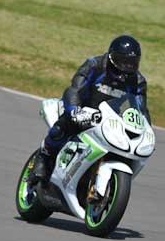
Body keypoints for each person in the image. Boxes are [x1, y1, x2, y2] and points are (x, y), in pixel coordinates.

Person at [31, 35, 150, 184]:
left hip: (112, 122)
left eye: (132, 63)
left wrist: (145, 130)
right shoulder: (94, 65)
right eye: (123, 61)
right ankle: (43, 157)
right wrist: (74, 110)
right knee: (63, 125)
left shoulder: (138, 81)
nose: (127, 67)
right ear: (112, 58)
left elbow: (141, 109)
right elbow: (74, 90)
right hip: (85, 111)